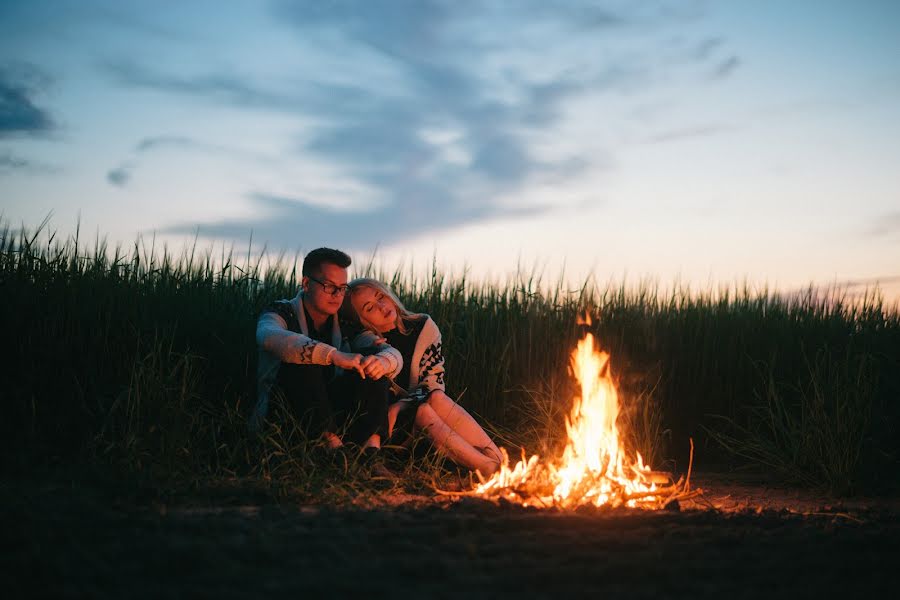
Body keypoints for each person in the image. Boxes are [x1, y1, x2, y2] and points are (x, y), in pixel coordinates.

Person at [342, 278, 502, 477]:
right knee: (423, 411)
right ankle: (488, 468)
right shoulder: (365, 341)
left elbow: (433, 384)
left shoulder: (423, 327)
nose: (381, 306)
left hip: (408, 412)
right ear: (361, 320)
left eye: (381, 297)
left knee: (436, 398)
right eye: (369, 308)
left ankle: (499, 461)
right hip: (385, 427)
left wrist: (401, 406)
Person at [250, 248, 401, 452]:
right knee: (302, 360)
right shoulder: (281, 311)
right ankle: (332, 451)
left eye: (342, 288)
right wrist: (333, 356)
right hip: (284, 413)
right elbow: (267, 336)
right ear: (306, 284)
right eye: (329, 286)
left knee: (372, 361)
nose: (337, 295)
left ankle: (371, 451)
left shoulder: (346, 323)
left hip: (332, 412)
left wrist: (383, 362)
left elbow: (389, 352)